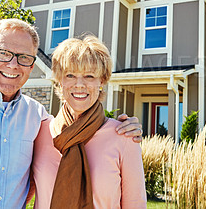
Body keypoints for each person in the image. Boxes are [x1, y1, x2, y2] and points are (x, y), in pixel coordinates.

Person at [0, 19, 142, 208]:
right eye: (3, 53)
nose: (13, 65)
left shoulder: (37, 118)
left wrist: (129, 126)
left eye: (24, 58)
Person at [31, 35, 147, 208]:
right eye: (70, 75)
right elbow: (19, 193)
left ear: (101, 81)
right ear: (60, 80)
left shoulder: (123, 136)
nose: (79, 84)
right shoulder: (40, 131)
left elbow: (135, 204)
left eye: (89, 76)